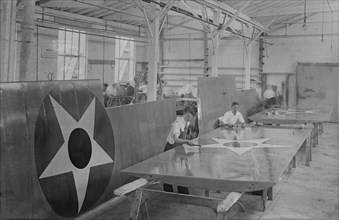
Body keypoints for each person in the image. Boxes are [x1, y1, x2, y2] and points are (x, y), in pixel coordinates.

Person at [163, 105, 197, 194]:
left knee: (182, 169)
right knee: (169, 172)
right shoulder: (177, 123)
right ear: (184, 113)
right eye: (189, 116)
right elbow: (176, 139)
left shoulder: (186, 122)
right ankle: (168, 193)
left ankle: (183, 192)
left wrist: (189, 137)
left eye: (191, 116)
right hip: (170, 149)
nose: (190, 118)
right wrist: (187, 141)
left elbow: (182, 137)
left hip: (178, 148)